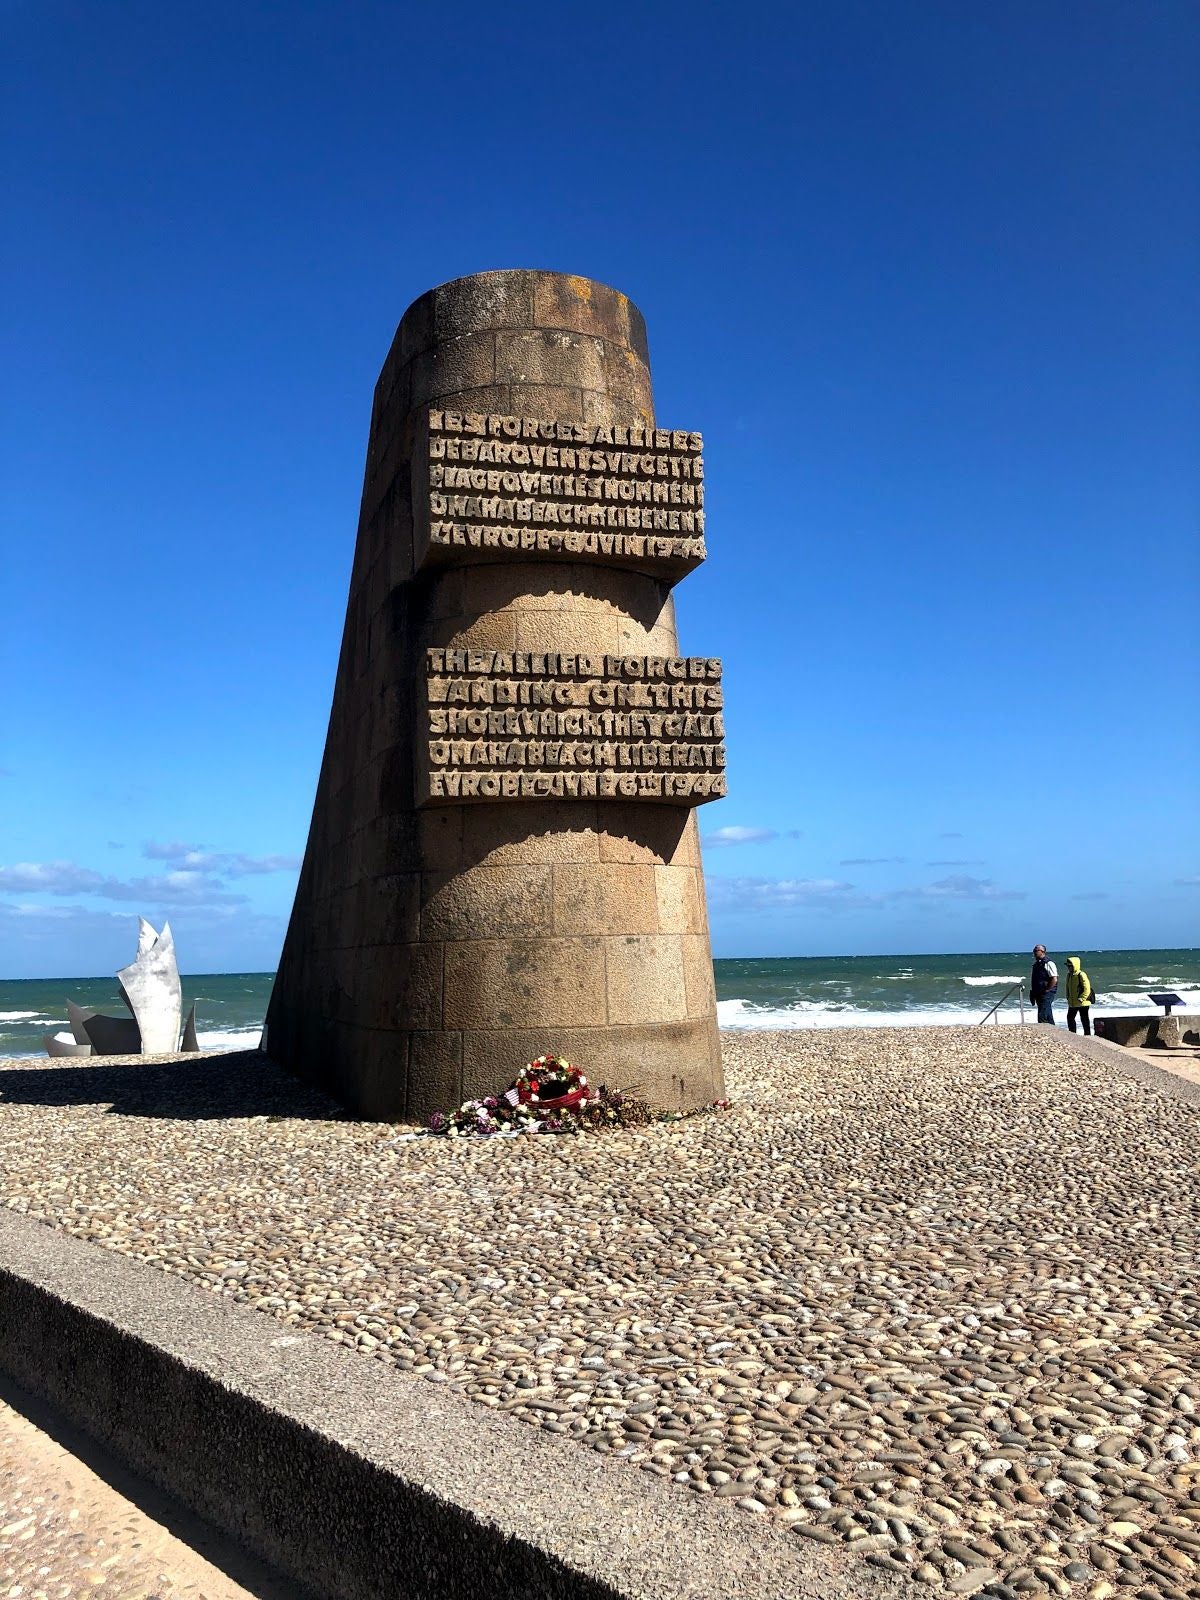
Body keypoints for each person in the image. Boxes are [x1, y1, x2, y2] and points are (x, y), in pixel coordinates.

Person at [1065, 957, 1095, 1035]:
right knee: (1070, 1018)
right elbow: (1067, 987)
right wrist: (1068, 997)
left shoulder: (1081, 974)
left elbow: (1087, 988)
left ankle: (1087, 1035)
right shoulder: (1069, 975)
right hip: (1073, 1002)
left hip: (1082, 1002)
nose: (1069, 968)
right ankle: (1072, 1034)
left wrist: (1082, 998)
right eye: (1067, 966)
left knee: (1084, 1019)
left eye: (1070, 966)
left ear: (1075, 965)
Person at [1030, 944, 1058, 1024]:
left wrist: (1047, 989)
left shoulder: (1048, 963)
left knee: (1043, 1016)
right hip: (1038, 993)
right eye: (1034, 951)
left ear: (1042, 952)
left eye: (1036, 951)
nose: (1034, 953)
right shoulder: (1037, 964)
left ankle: (1047, 1033)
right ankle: (1054, 1032)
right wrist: (1033, 993)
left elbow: (1054, 978)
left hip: (1046, 993)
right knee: (1047, 1015)